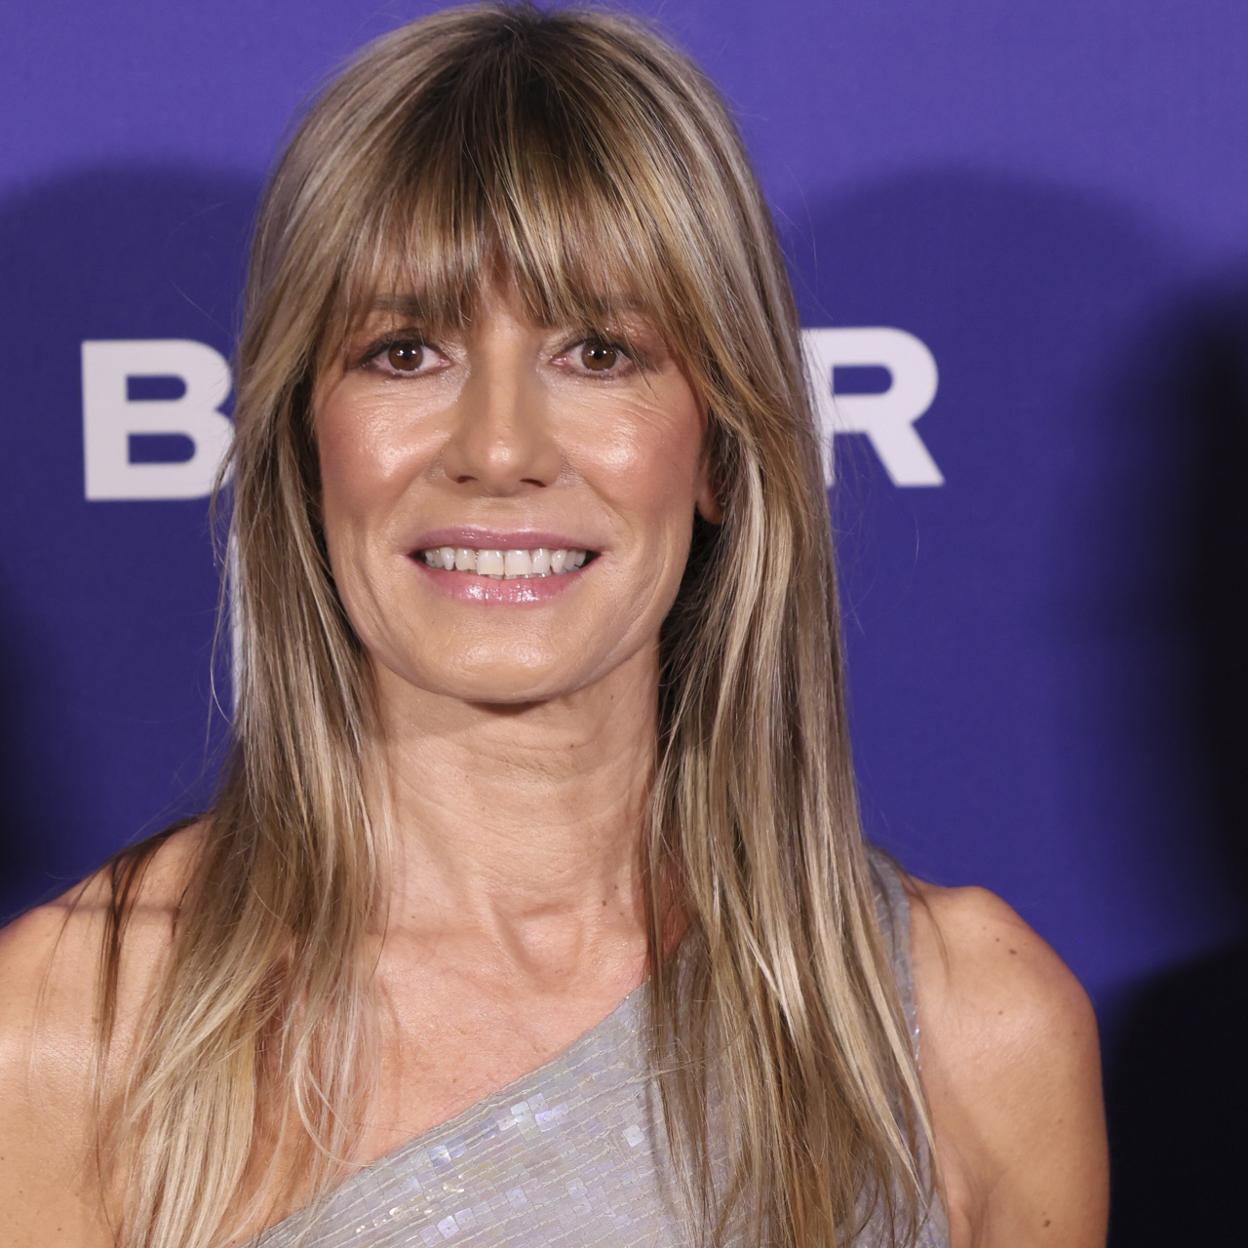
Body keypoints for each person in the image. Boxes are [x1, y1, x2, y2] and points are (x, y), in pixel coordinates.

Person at [0, 3, 1109, 1245]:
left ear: (722, 446)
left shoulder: (968, 1028)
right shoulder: (74, 1033)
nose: (499, 449)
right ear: (306, 444)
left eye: (598, 351)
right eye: (405, 350)